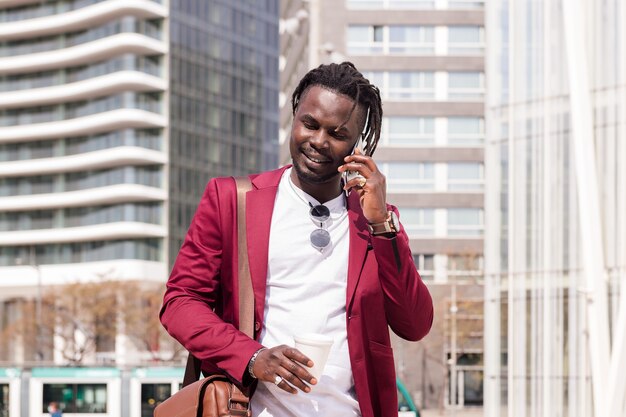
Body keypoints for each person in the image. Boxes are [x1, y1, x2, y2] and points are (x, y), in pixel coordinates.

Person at [160, 62, 434, 417]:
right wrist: (253, 358)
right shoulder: (232, 200)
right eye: (310, 124)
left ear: (357, 143)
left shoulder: (374, 218)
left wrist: (382, 224)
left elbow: (415, 324)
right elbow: (180, 303)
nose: (319, 141)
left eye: (337, 133)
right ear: (294, 116)